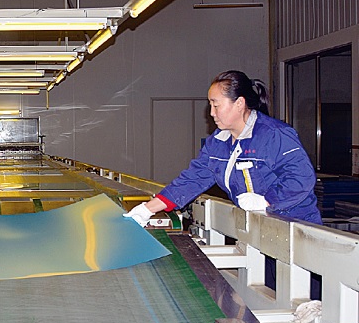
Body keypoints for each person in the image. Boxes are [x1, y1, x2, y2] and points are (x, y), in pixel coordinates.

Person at [124, 70, 321, 226]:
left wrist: (267, 201)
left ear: (239, 103)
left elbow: (301, 177)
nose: (211, 113)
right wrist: (147, 209)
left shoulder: (274, 135)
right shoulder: (218, 143)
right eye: (210, 105)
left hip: (295, 227)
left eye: (216, 105)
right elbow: (192, 180)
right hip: (256, 227)